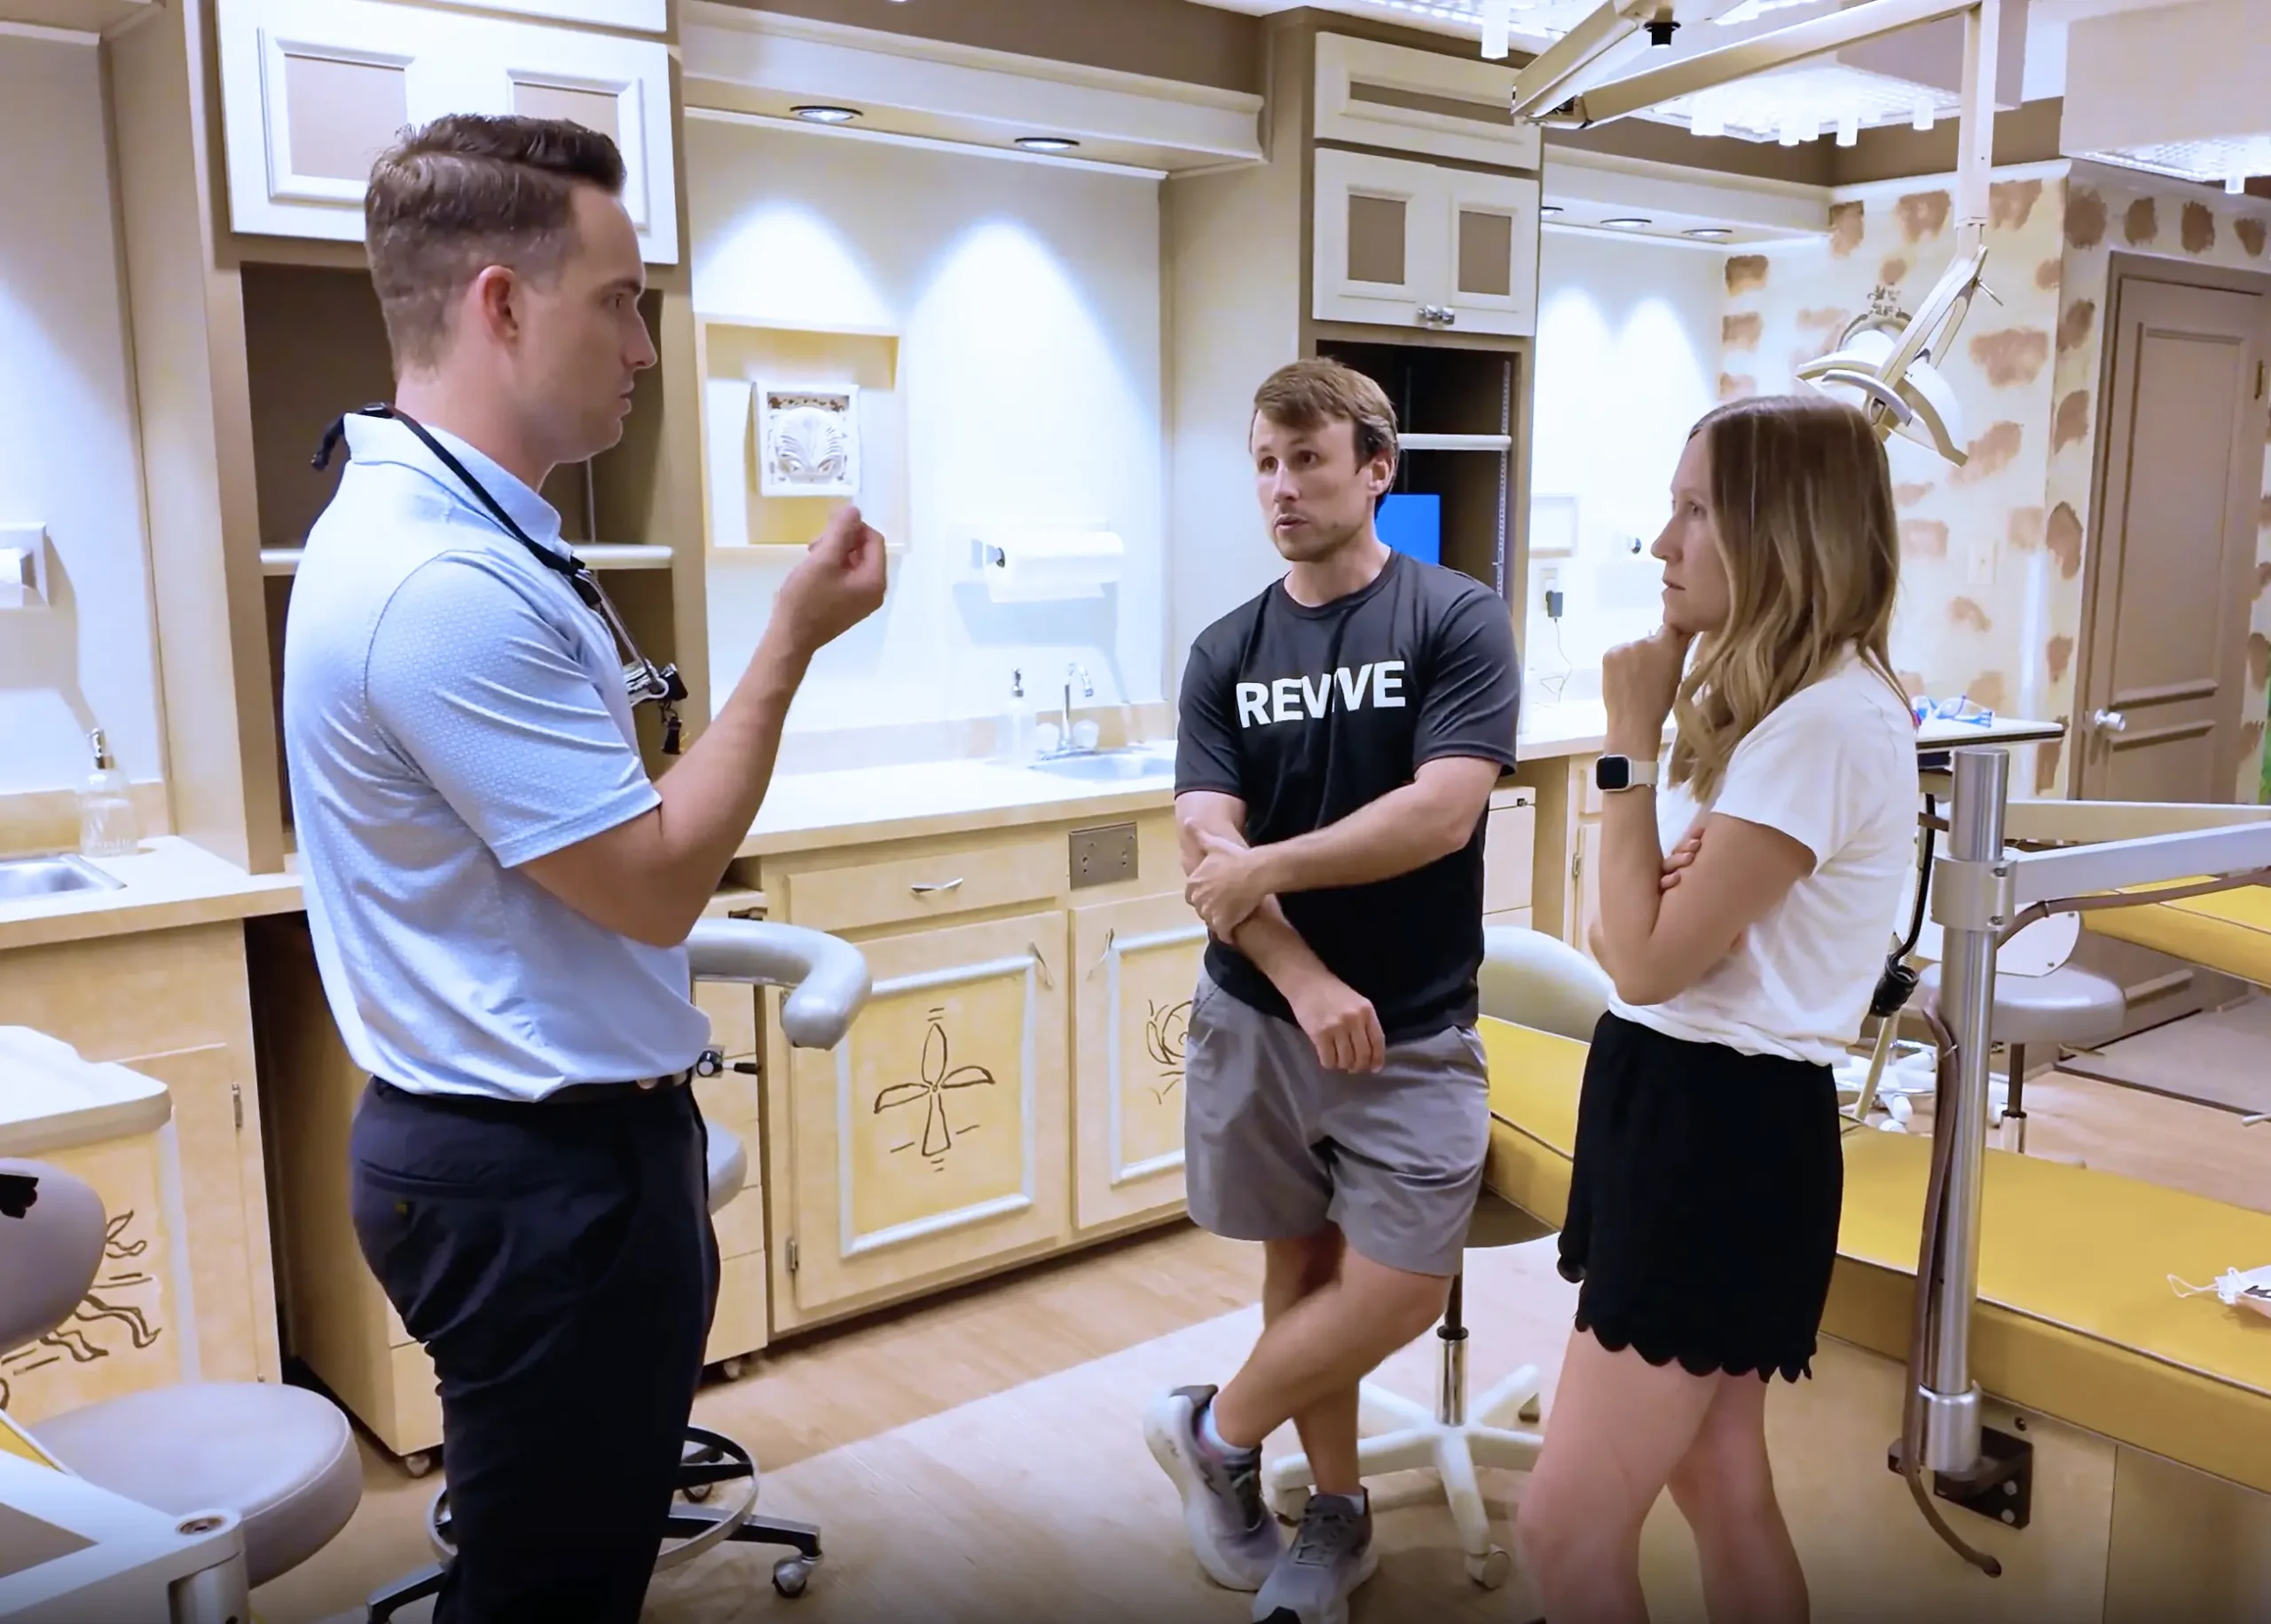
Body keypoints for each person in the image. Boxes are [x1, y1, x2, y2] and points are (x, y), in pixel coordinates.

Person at [280, 114, 886, 1623]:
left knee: (557, 1563)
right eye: (619, 300)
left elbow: (595, 858)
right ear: (500, 303)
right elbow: (657, 879)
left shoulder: (443, 531)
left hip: (527, 1158)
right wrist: (789, 643)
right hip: (539, 1186)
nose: (643, 346)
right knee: (549, 1592)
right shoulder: (442, 584)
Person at [1512, 393, 1917, 1624]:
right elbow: (1622, 934)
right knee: (1719, 1478)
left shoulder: (1825, 725)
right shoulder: (1788, 711)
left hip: (1715, 1131)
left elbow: (1638, 959)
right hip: (1685, 1104)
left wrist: (1627, 747)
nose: (1663, 542)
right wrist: (1650, 868)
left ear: (1781, 531)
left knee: (1564, 1528)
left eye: (1696, 510)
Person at [1143, 357, 1522, 1624]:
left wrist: (1269, 866)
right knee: (1300, 1271)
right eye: (1264, 461)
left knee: (1401, 1281)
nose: (1282, 486)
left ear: (1376, 468)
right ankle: (1336, 1513)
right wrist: (1302, 974)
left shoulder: (1454, 618)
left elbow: (1440, 812)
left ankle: (1216, 1429)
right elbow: (1207, 847)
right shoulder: (1225, 649)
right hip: (1264, 1013)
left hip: (1412, 1023)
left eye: (1308, 459)